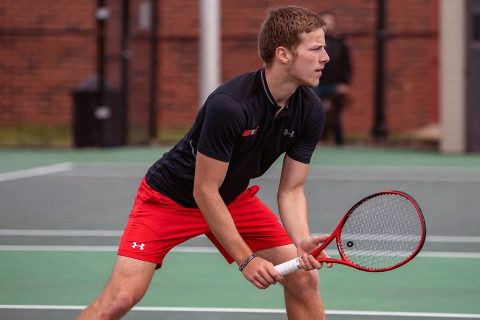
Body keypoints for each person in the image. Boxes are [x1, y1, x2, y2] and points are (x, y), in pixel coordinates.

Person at [77, 5, 331, 320]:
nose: (325, 58)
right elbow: (204, 191)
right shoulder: (231, 106)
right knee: (121, 299)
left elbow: (291, 189)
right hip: (169, 199)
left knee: (304, 276)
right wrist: (246, 259)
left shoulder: (311, 110)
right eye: (316, 48)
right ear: (283, 54)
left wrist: (301, 239)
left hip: (232, 199)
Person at [315, 11, 352, 145]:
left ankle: (339, 140)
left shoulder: (341, 43)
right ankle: (314, 138)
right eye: (325, 23)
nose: (328, 26)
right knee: (314, 109)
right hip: (316, 83)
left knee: (335, 113)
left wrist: (344, 83)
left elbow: (346, 65)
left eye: (331, 23)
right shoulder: (313, 43)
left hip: (334, 84)